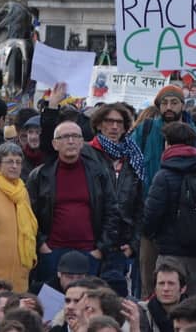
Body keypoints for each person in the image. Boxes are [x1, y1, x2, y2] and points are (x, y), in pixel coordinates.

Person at [130, 86, 196, 295]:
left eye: (174, 102)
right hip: (151, 219)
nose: (169, 107)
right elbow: (131, 167)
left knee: (186, 287)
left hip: (187, 223)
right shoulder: (146, 131)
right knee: (150, 284)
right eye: (164, 103)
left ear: (183, 105)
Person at [28, 114, 121, 289]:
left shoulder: (98, 173)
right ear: (55, 144)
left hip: (89, 252)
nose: (70, 141)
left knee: (87, 306)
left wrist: (100, 249)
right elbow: (30, 214)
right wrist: (42, 245)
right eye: (64, 137)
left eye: (75, 137)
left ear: (82, 142)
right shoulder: (41, 175)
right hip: (52, 252)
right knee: (52, 306)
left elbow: (112, 211)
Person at [142, 121, 196, 292]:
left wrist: (149, 234)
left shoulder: (164, 176)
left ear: (167, 144)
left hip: (169, 250)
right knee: (191, 298)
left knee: (167, 294)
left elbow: (152, 215)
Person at [85, 105, 142, 288]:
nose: (114, 127)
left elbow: (140, 206)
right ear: (99, 125)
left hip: (121, 246)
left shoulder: (134, 157)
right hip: (92, 243)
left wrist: (133, 245)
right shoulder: (86, 154)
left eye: (119, 122)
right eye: (109, 121)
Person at [0, 142, 36, 292]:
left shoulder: (23, 193)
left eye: (18, 162)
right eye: (9, 161)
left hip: (20, 271)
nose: (15, 166)